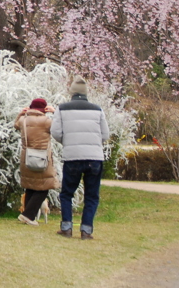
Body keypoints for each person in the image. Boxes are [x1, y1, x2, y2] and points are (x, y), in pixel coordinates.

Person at [51, 77, 110, 240]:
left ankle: (67, 227)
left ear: (71, 92)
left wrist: (68, 141)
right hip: (95, 158)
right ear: (86, 93)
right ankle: (86, 230)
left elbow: (55, 131)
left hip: (72, 157)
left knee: (67, 193)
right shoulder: (97, 110)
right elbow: (105, 134)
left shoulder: (62, 108)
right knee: (92, 195)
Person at [14, 98, 58, 225]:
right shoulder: (47, 121)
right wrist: (56, 113)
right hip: (42, 158)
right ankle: (28, 215)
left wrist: (21, 114)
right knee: (45, 187)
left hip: (26, 157)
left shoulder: (24, 120)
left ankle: (27, 216)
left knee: (30, 185)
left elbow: (16, 125)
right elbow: (60, 128)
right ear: (44, 109)